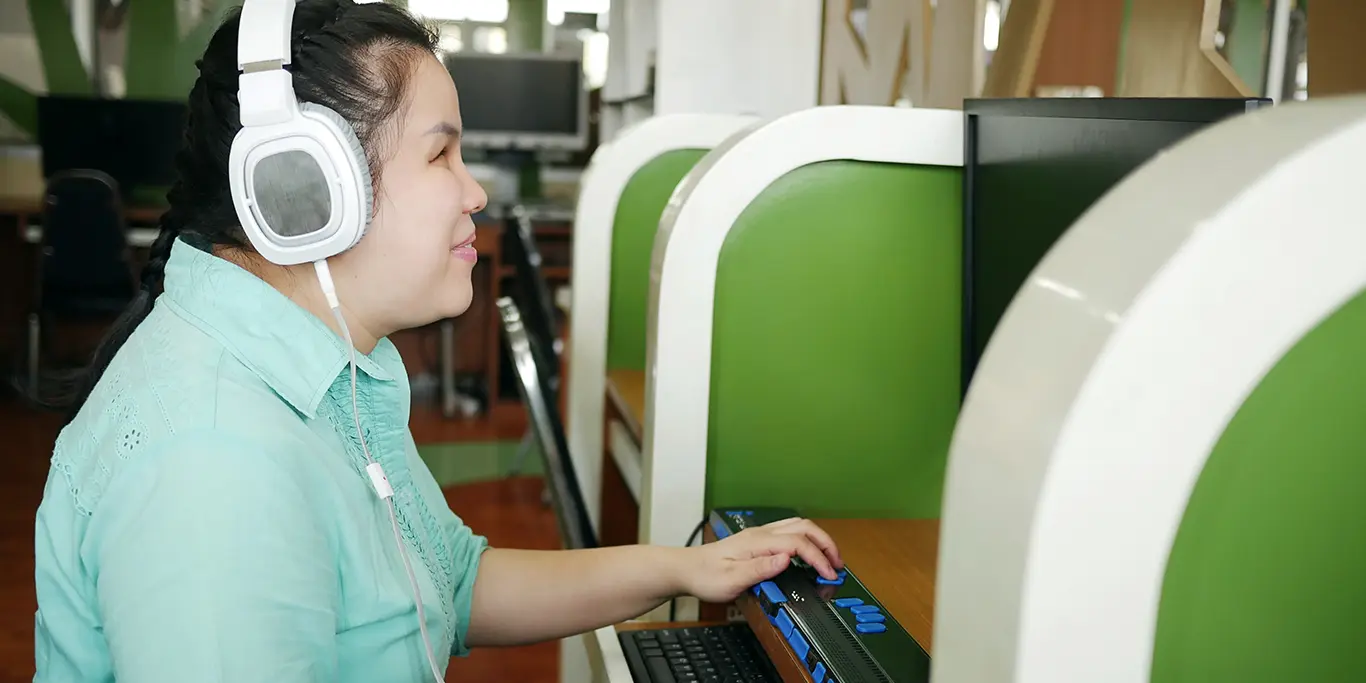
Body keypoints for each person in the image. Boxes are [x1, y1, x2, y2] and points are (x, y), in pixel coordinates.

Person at [31, 1, 844, 681]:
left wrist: (687, 566)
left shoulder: (325, 375)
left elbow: (454, 582)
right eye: (442, 153)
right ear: (308, 190)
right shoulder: (214, 465)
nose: (475, 188)